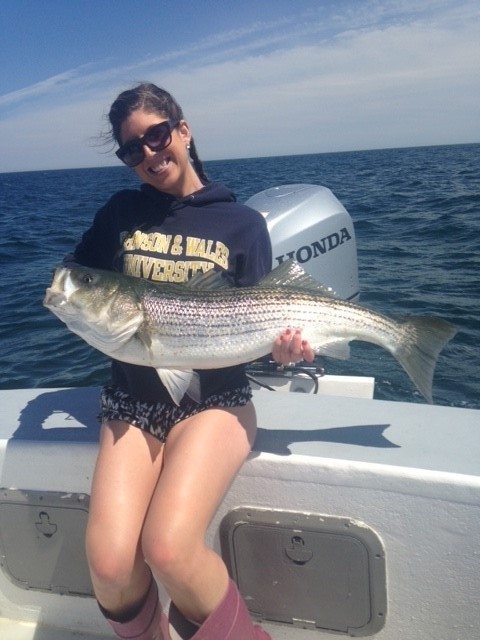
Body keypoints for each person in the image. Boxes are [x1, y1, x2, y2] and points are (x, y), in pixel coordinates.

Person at [66, 83, 314, 640]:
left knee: (169, 549)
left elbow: (260, 318)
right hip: (134, 401)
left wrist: (286, 350)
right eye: (133, 149)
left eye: (156, 136)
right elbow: (76, 273)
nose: (149, 154)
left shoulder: (242, 223)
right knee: (109, 565)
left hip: (217, 401)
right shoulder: (121, 213)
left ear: (183, 130)